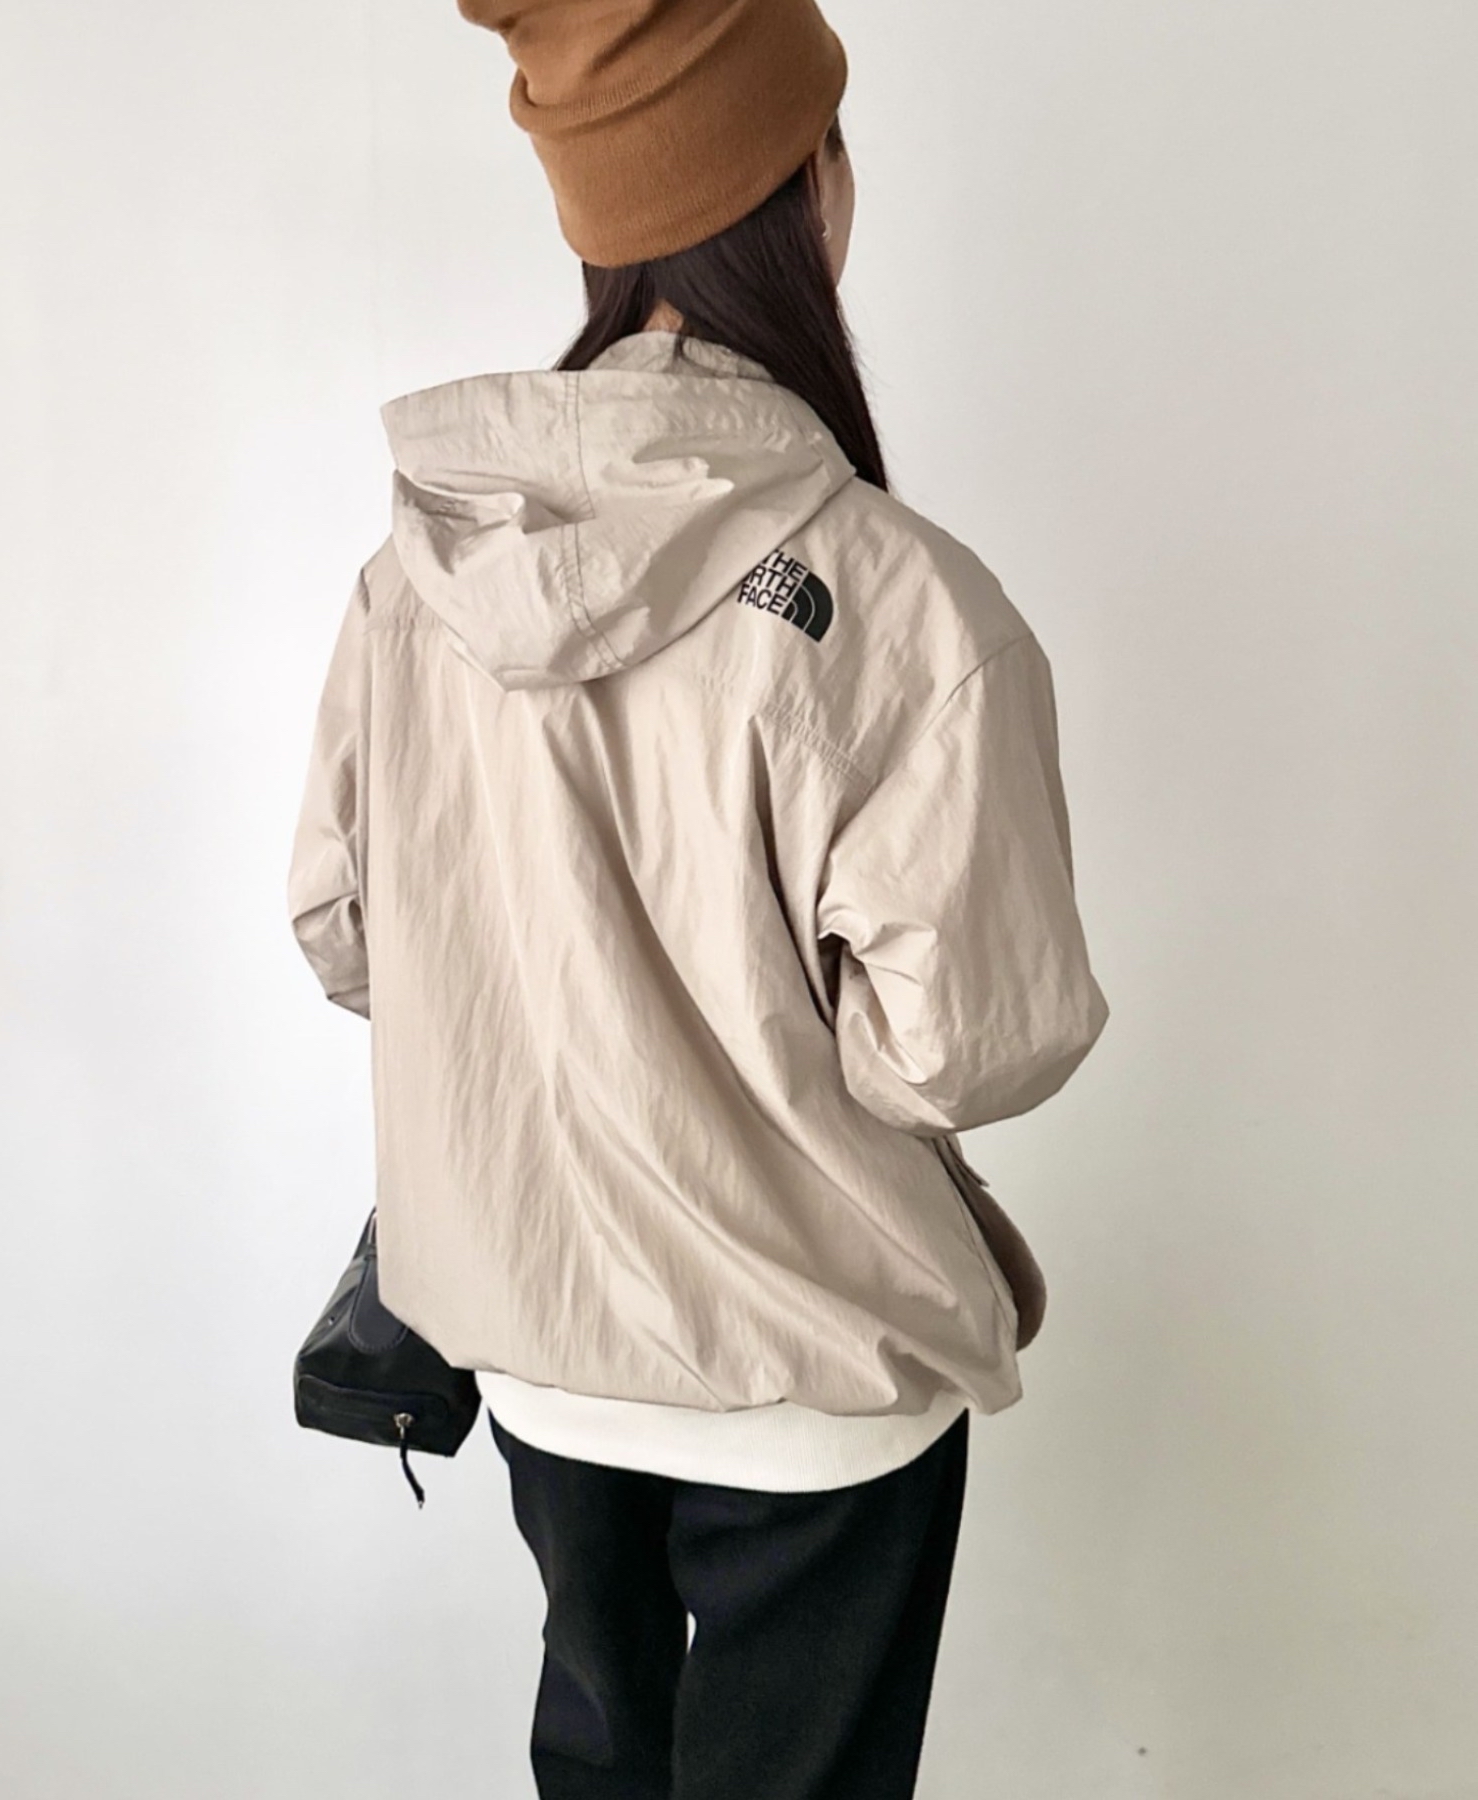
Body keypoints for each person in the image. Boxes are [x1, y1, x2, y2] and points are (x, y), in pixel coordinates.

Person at [286, 1, 1110, 1794]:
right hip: (811, 1377)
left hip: (535, 1342)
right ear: (809, 190)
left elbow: (349, 935)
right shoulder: (904, 606)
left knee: (598, 1768)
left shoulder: (416, 577)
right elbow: (960, 1046)